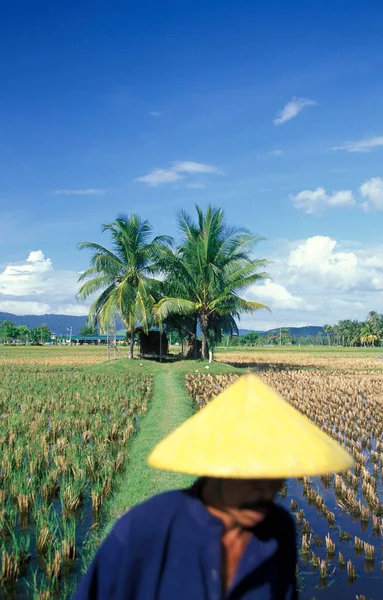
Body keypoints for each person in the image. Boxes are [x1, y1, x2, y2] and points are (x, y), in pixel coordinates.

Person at [74, 374, 353, 599]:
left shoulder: (279, 529)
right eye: (250, 475)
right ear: (216, 466)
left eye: (276, 474)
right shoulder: (145, 528)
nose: (266, 490)